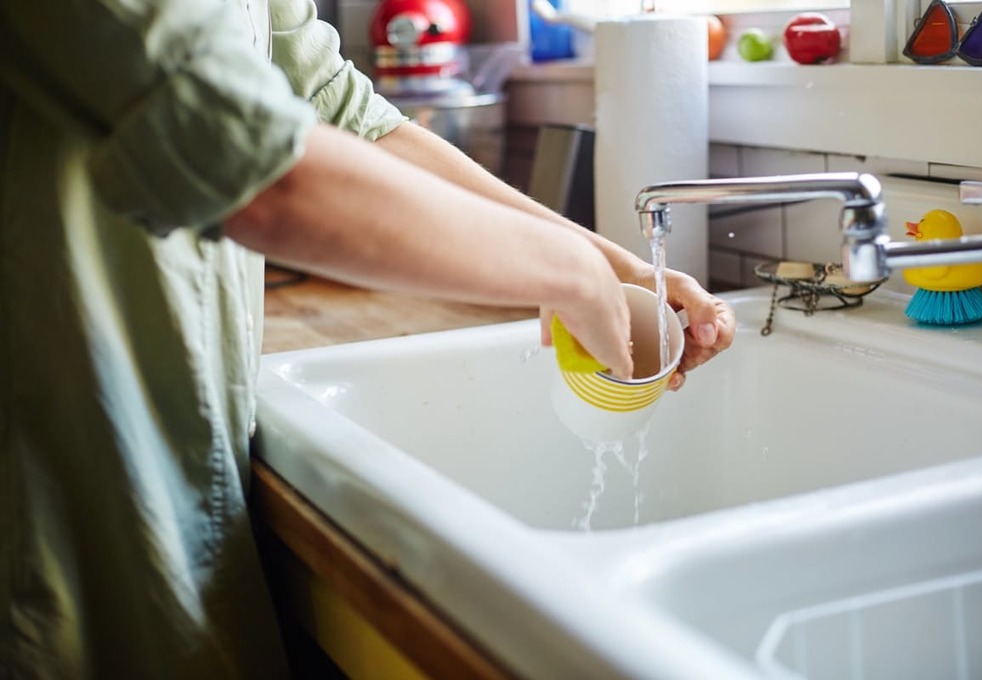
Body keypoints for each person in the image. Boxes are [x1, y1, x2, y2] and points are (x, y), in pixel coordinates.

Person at [0, 0, 734, 676]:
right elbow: (256, 164)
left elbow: (337, 109)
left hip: (148, 426)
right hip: (49, 458)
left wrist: (612, 265)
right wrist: (567, 270)